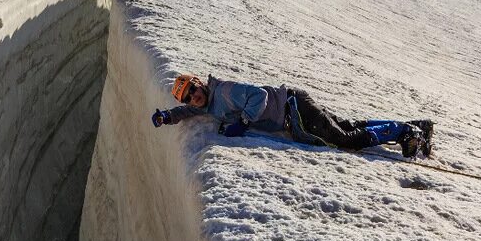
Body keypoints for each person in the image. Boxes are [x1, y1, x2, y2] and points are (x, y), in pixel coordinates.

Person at [151, 74, 433, 158]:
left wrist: (244, 122)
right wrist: (167, 116)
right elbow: (188, 110)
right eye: (187, 97)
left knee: (344, 140)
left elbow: (259, 96)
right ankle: (410, 127)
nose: (192, 98)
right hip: (294, 106)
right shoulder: (206, 102)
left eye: (192, 91)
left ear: (199, 83)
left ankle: (405, 132)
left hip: (293, 109)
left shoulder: (224, 92)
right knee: (346, 127)